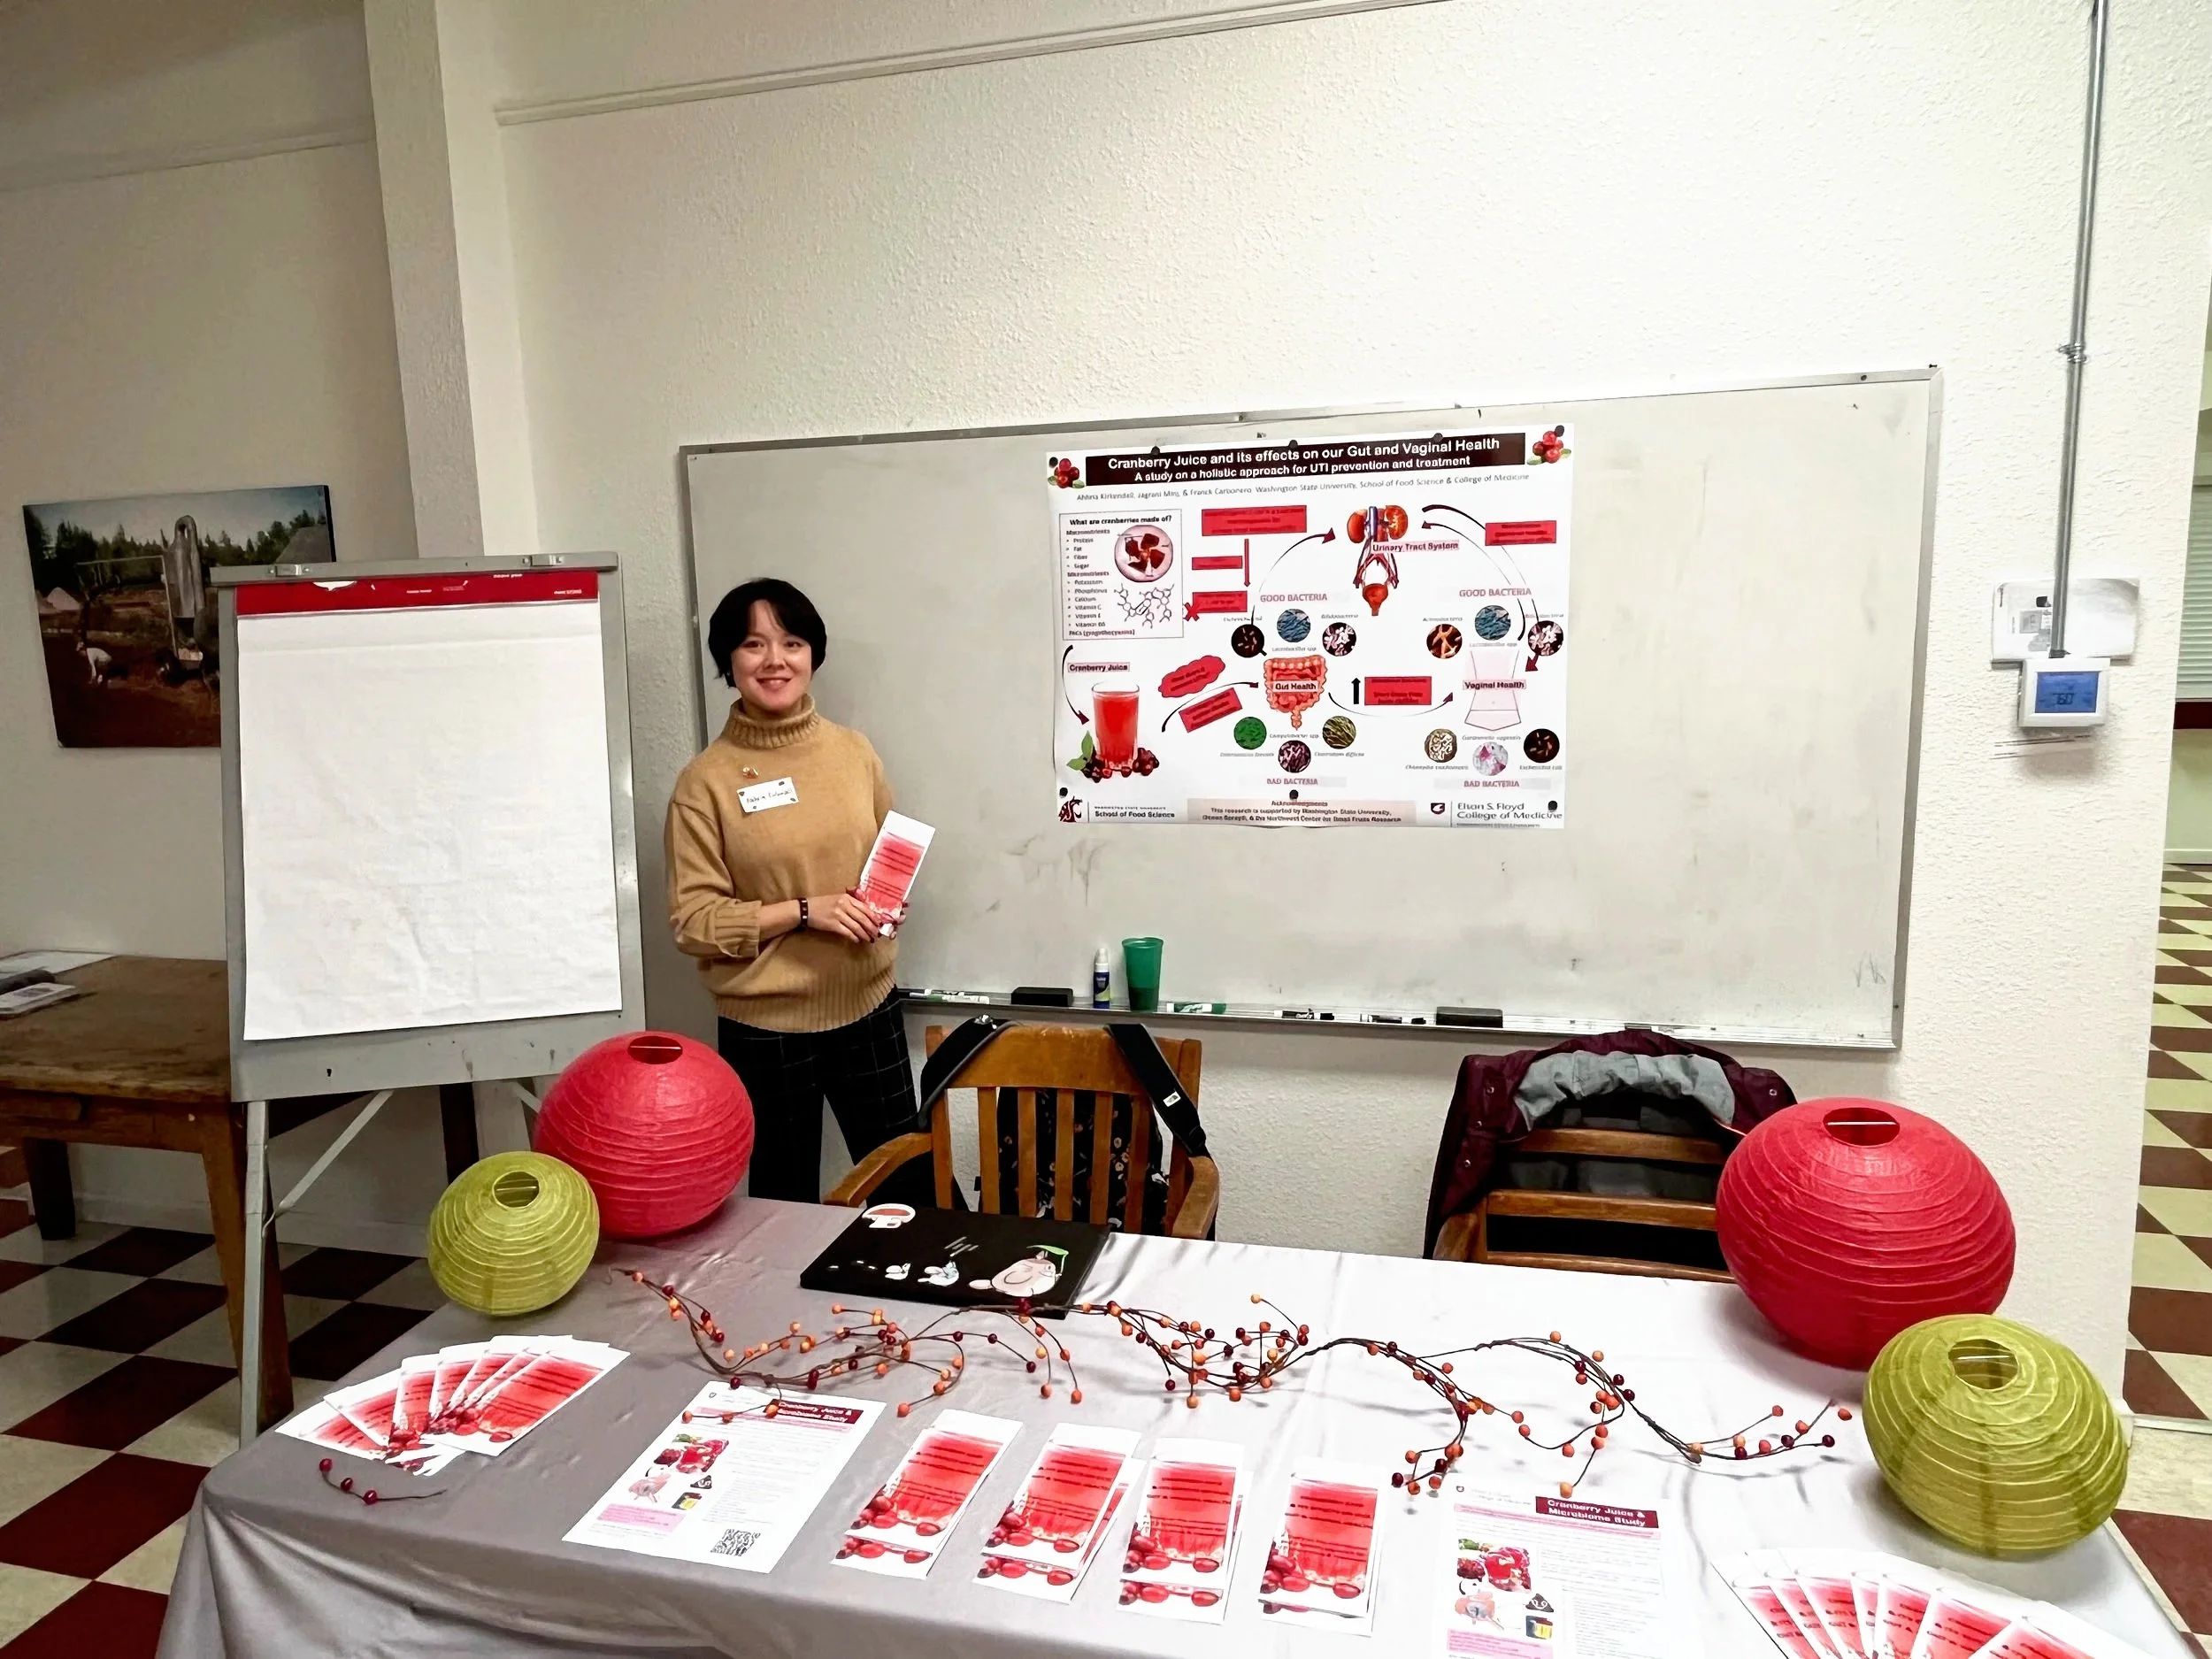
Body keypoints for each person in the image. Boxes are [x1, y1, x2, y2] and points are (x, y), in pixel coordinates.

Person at [666, 578, 926, 1203]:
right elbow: (693, 921)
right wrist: (807, 912)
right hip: (766, 1027)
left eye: (792, 641)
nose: (775, 660)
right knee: (783, 1203)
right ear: (728, 661)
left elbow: (885, 854)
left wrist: (885, 902)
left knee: (909, 1189)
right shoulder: (705, 782)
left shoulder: (853, 752)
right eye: (753, 644)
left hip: (869, 1005)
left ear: (814, 655)